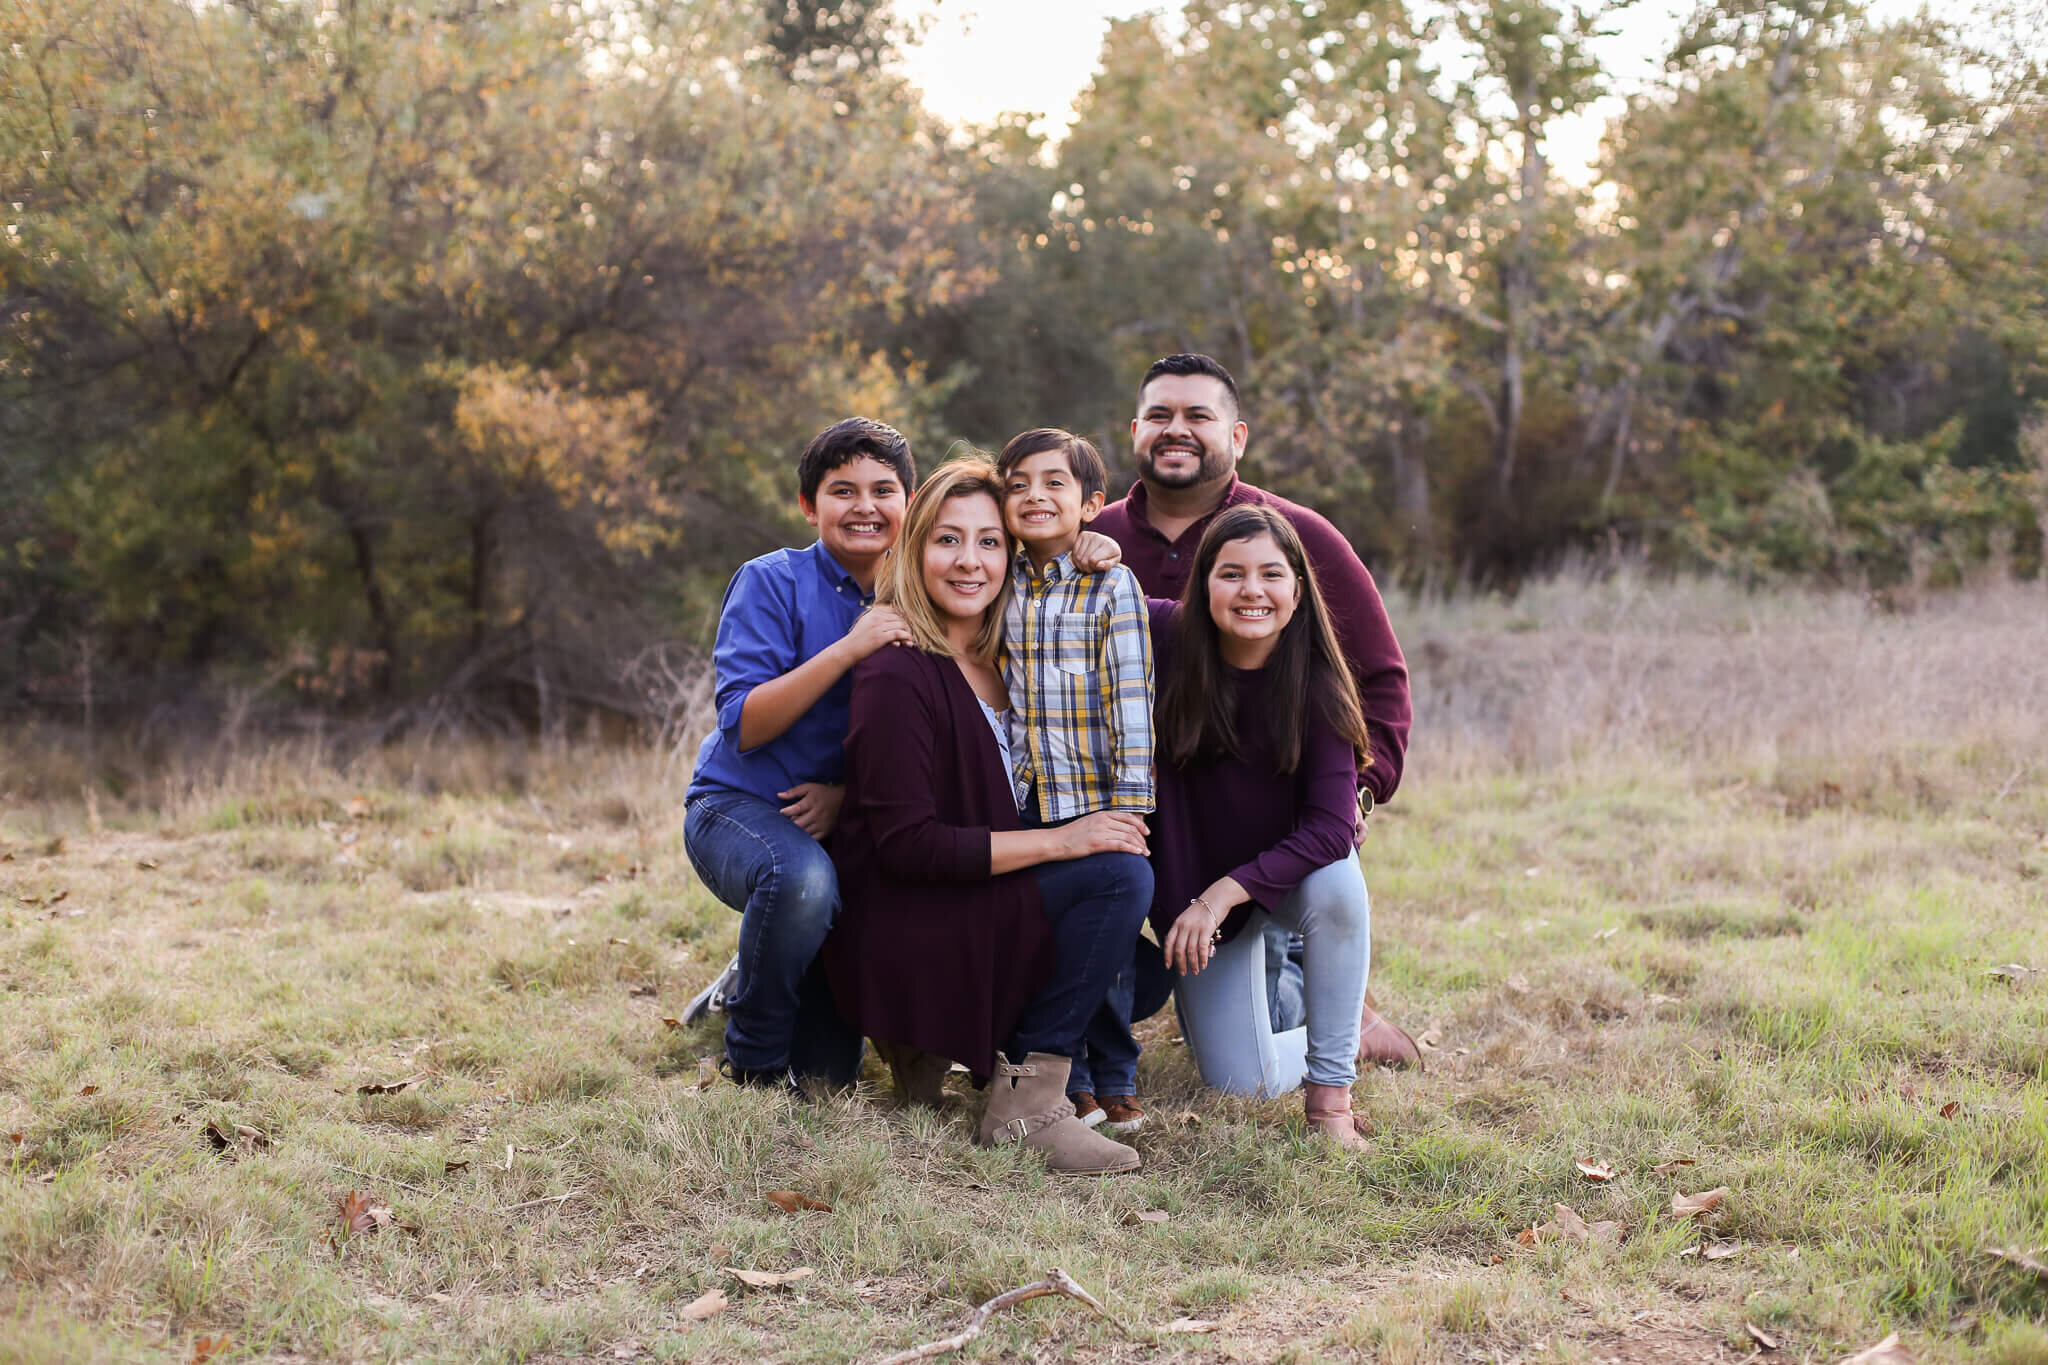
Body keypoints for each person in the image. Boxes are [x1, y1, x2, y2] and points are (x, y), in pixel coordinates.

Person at [826, 458, 1155, 1176]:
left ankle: (982, 1058)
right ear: (913, 550)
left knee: (1141, 955)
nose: (970, 561)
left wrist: (1089, 551)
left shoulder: (1010, 650)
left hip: (978, 892)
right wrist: (1061, 841)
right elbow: (907, 846)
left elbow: (1115, 619)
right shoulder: (898, 665)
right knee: (1117, 880)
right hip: (914, 911)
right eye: (948, 540)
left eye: (989, 541)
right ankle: (1029, 1106)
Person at [1092, 353, 1421, 1069]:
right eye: (1160, 416)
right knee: (1234, 1067)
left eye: (1198, 416)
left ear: (1236, 436)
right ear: (1135, 430)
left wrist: (1358, 787)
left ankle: (1333, 1011)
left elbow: (1379, 677)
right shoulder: (1097, 543)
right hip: (1163, 828)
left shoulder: (1297, 539)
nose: (1176, 430)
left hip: (1285, 817)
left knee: (1323, 876)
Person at [681, 418, 917, 1093]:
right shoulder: (770, 581)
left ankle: (753, 972)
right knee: (801, 880)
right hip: (738, 807)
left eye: (883, 489)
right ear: (810, 506)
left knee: (827, 1073)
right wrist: (852, 645)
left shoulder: (927, 591)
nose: (865, 506)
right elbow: (744, 724)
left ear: (911, 501)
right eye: (843, 490)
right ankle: (751, 1060)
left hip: (845, 820)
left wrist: (846, 796)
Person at [1150, 505, 1376, 1146]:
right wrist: (1088, 552)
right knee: (1238, 1084)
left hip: (1276, 882)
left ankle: (1331, 1095)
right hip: (1195, 895)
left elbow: (1333, 830)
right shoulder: (1165, 637)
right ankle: (1331, 1005)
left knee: (1339, 886)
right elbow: (1082, 593)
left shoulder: (1320, 684)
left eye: (1271, 574)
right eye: (1232, 574)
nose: (1252, 591)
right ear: (1203, 585)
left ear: (1297, 590)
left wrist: (1222, 893)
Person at [995, 428, 1154, 1136]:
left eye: (1054, 482)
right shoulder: (998, 578)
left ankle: (1114, 1073)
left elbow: (1132, 705)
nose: (1034, 495)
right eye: (1018, 483)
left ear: (1091, 504)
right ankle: (1075, 1081)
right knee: (1058, 941)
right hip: (1028, 803)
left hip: (1095, 797)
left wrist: (1132, 808)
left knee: (1110, 945)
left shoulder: (1109, 583)